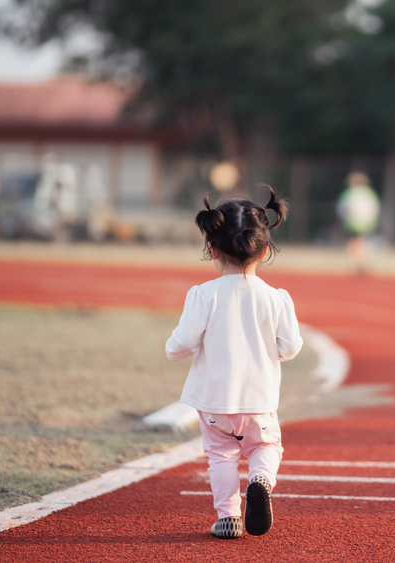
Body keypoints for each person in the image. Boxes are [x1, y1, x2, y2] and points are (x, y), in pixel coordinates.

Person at [165, 184, 302, 540]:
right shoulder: (276, 299)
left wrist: (173, 348)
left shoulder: (202, 295)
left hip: (213, 401)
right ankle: (260, 480)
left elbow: (180, 345)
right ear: (264, 249)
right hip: (258, 401)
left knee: (221, 456)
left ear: (212, 247)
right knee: (266, 447)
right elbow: (290, 347)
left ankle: (228, 517)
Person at [336, 171, 380, 275]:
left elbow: (342, 208)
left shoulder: (350, 193)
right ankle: (361, 263)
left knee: (353, 242)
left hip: (352, 222)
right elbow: (375, 208)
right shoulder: (370, 193)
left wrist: (343, 219)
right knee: (362, 242)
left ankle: (354, 264)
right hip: (367, 223)